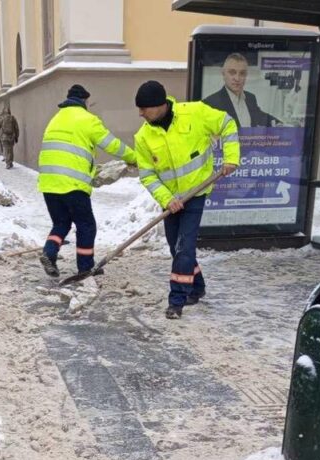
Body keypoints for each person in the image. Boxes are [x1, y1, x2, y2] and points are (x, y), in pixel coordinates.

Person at [133, 80, 239, 320]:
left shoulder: (195, 113)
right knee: (176, 247)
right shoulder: (143, 137)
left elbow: (227, 124)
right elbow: (148, 175)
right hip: (171, 200)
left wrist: (231, 157)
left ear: (159, 105)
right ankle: (198, 287)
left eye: (144, 108)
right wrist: (167, 198)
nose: (140, 114)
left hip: (196, 193)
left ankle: (177, 300)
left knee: (184, 247)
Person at [37, 84, 136, 277]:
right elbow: (112, 144)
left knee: (61, 223)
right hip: (72, 184)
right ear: (84, 101)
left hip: (48, 183)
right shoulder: (87, 120)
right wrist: (134, 157)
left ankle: (49, 253)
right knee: (86, 225)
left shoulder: (55, 119)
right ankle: (85, 267)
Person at [202, 53, 279, 130]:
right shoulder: (211, 103)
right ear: (223, 74)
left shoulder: (250, 98)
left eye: (242, 73)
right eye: (232, 72)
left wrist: (281, 124)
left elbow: (262, 117)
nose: (237, 78)